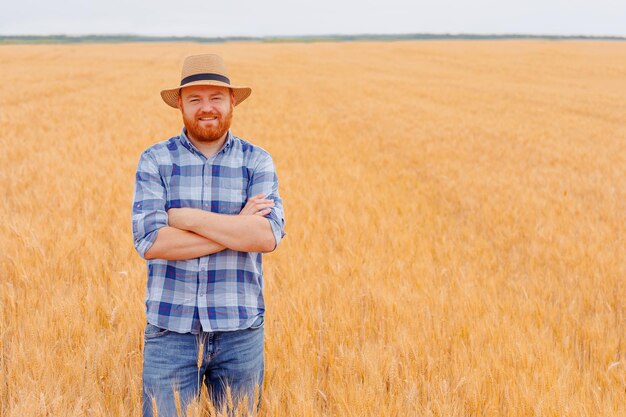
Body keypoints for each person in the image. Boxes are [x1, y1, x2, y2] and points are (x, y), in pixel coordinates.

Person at [131, 53, 285, 416]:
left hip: (239, 331)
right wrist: (235, 227)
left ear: (232, 101)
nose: (206, 108)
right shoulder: (155, 160)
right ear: (180, 105)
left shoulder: (257, 160)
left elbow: (265, 237)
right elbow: (152, 242)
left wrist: (184, 218)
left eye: (216, 97)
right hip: (171, 331)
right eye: (195, 99)